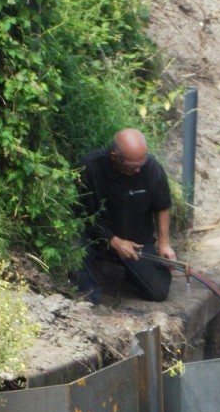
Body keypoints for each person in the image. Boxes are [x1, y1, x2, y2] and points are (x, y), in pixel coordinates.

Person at [71, 128, 176, 303]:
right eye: (132, 167)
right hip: (96, 237)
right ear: (114, 157)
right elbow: (78, 214)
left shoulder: (150, 167)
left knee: (158, 291)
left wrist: (164, 244)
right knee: (73, 242)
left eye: (140, 165)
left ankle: (123, 274)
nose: (137, 171)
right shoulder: (89, 168)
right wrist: (113, 240)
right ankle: (89, 298)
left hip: (135, 242)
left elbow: (163, 205)